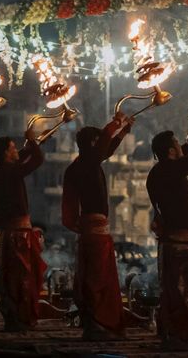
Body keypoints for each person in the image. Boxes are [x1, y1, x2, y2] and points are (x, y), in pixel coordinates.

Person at [62, 112, 134, 340]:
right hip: (94, 232)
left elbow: (106, 149)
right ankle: (97, 323)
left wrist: (121, 132)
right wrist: (116, 123)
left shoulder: (80, 165)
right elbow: (104, 147)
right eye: (98, 142)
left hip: (89, 230)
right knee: (97, 280)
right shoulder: (87, 163)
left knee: (95, 278)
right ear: (92, 144)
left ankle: (97, 323)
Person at [147, 121, 188, 349]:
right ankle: (180, 336)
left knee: (175, 293)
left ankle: (176, 335)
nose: (180, 146)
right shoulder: (169, 170)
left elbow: (185, 154)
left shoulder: (161, 170)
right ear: (171, 152)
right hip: (179, 248)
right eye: (176, 144)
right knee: (182, 295)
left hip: (175, 245)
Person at [0, 128, 46, 331]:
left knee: (11, 278)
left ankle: (15, 318)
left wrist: (31, 144)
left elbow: (23, 157)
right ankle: (22, 317)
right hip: (19, 236)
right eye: (13, 148)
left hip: (8, 233)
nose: (16, 151)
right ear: (6, 153)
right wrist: (33, 143)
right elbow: (37, 160)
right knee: (23, 278)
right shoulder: (10, 172)